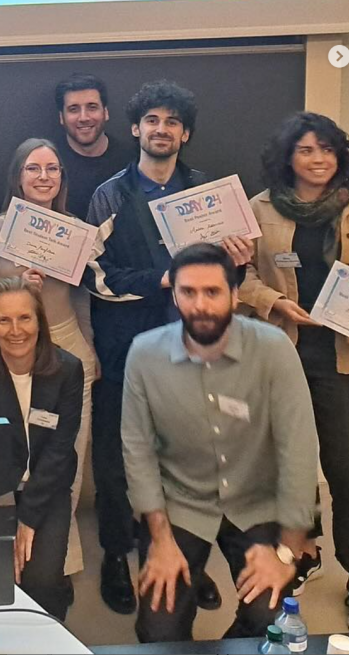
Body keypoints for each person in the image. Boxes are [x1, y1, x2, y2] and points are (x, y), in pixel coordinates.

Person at [82, 81, 248, 615]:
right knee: (115, 458)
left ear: (185, 134)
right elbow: (95, 275)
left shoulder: (208, 193)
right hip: (126, 348)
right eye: (152, 120)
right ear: (135, 128)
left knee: (189, 456)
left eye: (172, 122)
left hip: (193, 349)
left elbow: (227, 281)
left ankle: (186, 559)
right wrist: (161, 280)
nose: (161, 129)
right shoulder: (109, 195)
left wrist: (238, 261)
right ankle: (116, 554)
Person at [122, 244, 318, 643]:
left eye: (212, 292)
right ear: (174, 296)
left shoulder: (274, 349)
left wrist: (286, 552)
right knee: (159, 627)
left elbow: (298, 449)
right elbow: (137, 449)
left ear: (234, 294)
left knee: (270, 618)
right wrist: (159, 539)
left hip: (256, 500)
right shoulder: (144, 354)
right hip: (182, 503)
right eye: (188, 292)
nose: (200, 305)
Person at [238, 111, 349, 629]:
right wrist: (272, 302)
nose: (318, 159)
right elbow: (239, 274)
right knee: (290, 462)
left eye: (327, 149)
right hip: (281, 352)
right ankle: (304, 548)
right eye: (306, 149)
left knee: (348, 468)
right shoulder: (258, 207)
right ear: (288, 157)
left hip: (343, 358)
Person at [0, 138, 96, 577]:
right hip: (12, 347)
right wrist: (11, 292)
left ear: (62, 178)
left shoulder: (74, 230)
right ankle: (17, 555)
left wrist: (90, 347)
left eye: (52, 169)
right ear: (18, 176)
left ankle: (59, 564)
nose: (43, 177)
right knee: (18, 457)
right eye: (33, 168)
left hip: (67, 348)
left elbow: (84, 297)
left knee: (65, 465)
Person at [0, 277, 83, 622]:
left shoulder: (68, 370)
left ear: (39, 321)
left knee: (42, 581)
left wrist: (28, 519)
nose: (16, 331)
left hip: (48, 488)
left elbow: (60, 450)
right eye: (4, 320)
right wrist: (8, 518)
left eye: (25, 318)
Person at [54, 74, 132, 221]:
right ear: (61, 117)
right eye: (73, 109)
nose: (84, 117)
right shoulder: (48, 164)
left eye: (92, 107)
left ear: (105, 112)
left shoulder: (132, 161)